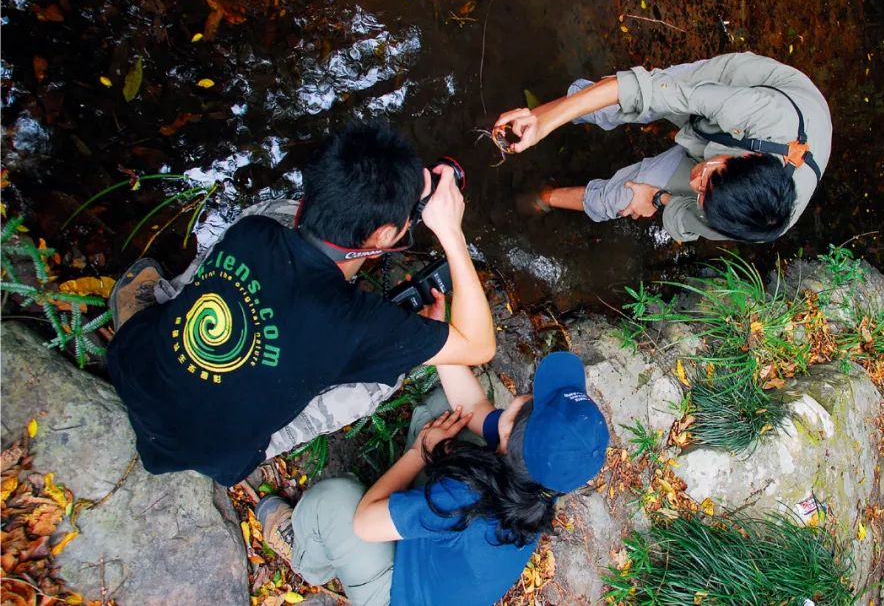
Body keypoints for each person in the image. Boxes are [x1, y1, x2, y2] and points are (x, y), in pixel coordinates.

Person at [105, 122, 496, 486]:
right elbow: (479, 345)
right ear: (384, 236)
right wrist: (451, 233)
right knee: (385, 376)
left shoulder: (254, 231)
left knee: (259, 230)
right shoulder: (357, 327)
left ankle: (153, 300)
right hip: (218, 455)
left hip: (133, 365)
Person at [254, 351, 609, 606]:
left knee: (334, 500)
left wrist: (420, 452)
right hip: (443, 559)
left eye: (531, 401)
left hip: (397, 595)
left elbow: (364, 522)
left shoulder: (465, 500)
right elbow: (473, 408)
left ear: (509, 435)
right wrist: (439, 340)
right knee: (448, 409)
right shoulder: (542, 478)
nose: (525, 395)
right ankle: (410, 497)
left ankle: (307, 560)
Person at [493, 52, 832, 243]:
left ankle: (546, 197)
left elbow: (690, 216)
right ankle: (544, 115)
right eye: (708, 179)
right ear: (750, 157)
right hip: (736, 89)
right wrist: (544, 121)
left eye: (701, 195)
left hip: (731, 147)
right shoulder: (758, 111)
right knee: (619, 101)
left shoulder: (751, 223)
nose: (696, 182)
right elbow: (645, 91)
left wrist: (656, 198)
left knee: (622, 197)